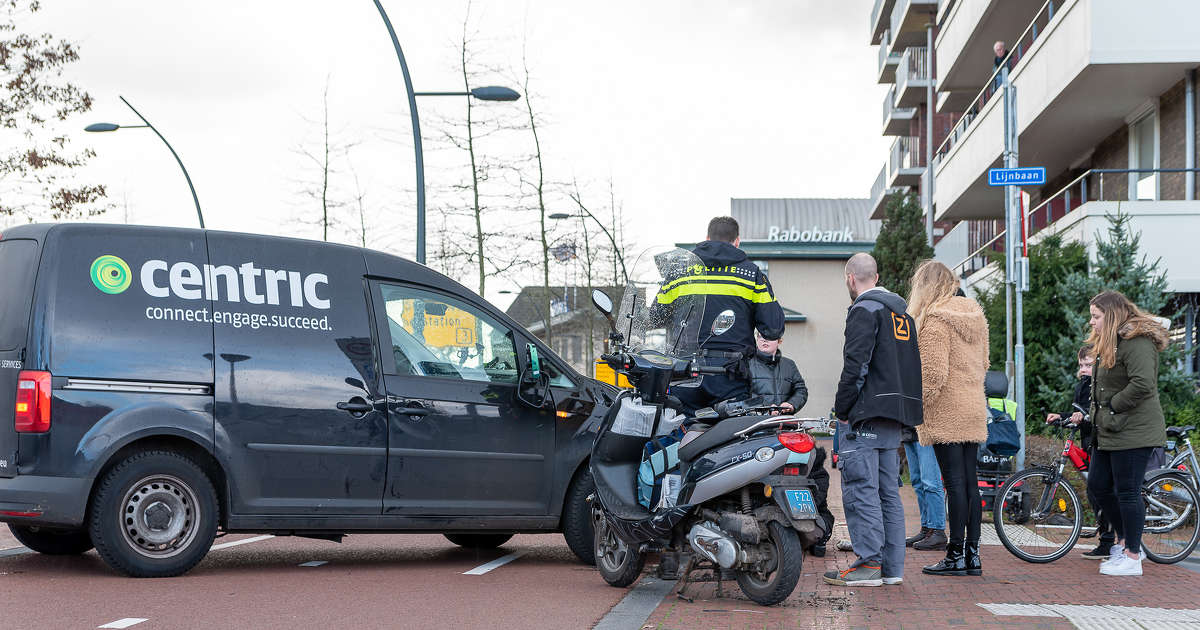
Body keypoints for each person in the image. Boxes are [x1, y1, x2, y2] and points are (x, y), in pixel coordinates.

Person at [822, 253, 922, 588]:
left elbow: (856, 366)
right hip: (895, 416)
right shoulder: (903, 315)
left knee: (861, 489)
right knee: (887, 493)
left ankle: (868, 565)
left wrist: (842, 409)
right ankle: (891, 568)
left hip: (866, 415)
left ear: (851, 279)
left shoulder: (863, 311)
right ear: (876, 277)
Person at [905, 260, 989, 577]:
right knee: (970, 484)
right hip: (973, 406)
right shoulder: (975, 316)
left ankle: (954, 555)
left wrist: (914, 407)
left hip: (946, 410)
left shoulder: (935, 320)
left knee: (953, 484)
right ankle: (972, 555)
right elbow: (985, 363)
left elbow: (933, 376)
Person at [664, 216, 785, 414]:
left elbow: (656, 316)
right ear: (737, 241)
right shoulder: (751, 274)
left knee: (680, 428)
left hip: (684, 371)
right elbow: (773, 329)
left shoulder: (679, 272)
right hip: (729, 374)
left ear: (707, 238)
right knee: (732, 431)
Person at [1085, 291, 1169, 577]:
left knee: (1128, 492)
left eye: (1096, 316)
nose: (1092, 322)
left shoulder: (1137, 341)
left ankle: (1133, 556)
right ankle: (1125, 542)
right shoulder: (1111, 341)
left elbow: (1143, 383)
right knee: (1098, 485)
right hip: (1109, 429)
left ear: (1111, 316)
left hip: (1134, 430)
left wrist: (1112, 405)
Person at [1046, 344, 1117, 559]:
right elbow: (1080, 412)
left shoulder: (1102, 383)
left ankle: (1108, 542)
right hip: (1090, 441)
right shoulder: (1083, 385)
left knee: (1099, 490)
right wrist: (1061, 416)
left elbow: (1099, 410)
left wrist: (1082, 415)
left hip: (1104, 441)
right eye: (1081, 365)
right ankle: (1106, 539)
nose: (1084, 369)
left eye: (1088, 364)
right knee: (1095, 490)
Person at [901, 426, 948, 551]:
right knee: (918, 483)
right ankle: (926, 529)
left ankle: (937, 531)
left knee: (930, 482)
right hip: (908, 431)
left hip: (927, 430)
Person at [748, 331, 808, 414]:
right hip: (755, 420)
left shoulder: (789, 365)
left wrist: (791, 404)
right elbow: (741, 393)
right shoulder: (746, 364)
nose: (764, 340)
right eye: (760, 336)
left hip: (783, 420)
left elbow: (801, 390)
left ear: (779, 341)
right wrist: (765, 408)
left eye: (769, 336)